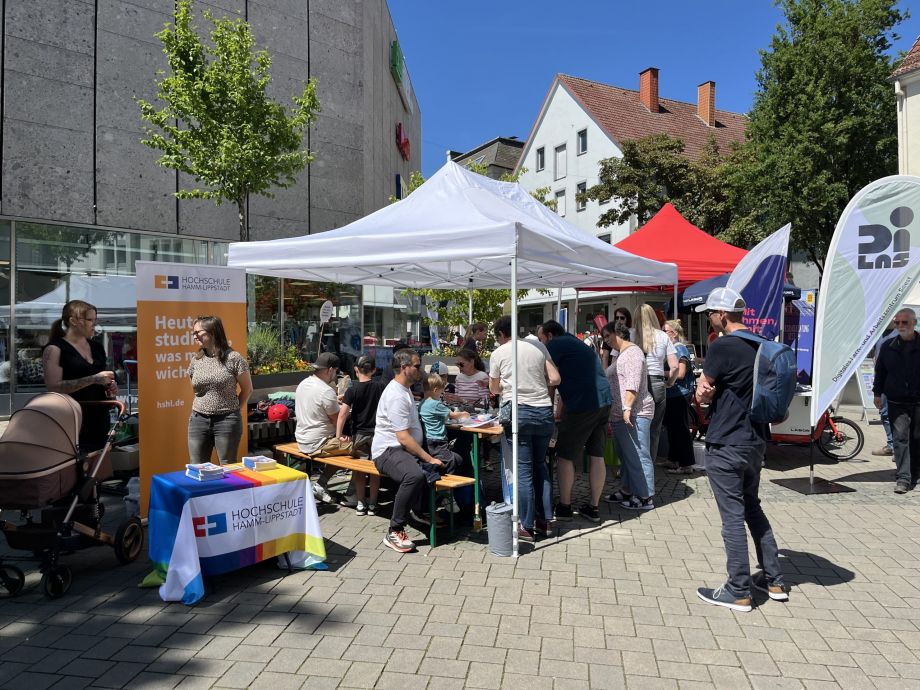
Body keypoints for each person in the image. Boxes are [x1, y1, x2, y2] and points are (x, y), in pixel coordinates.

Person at [694, 287, 785, 611]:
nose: (709, 319)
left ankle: (739, 590)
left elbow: (703, 392)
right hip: (756, 442)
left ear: (721, 314)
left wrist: (702, 396)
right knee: (752, 508)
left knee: (732, 517)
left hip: (727, 441)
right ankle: (774, 580)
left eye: (710, 313)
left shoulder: (723, 347)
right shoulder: (760, 345)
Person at [490, 316, 561, 541]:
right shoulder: (538, 346)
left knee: (523, 470)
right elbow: (555, 378)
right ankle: (545, 520)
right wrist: (534, 381)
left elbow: (494, 388)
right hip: (543, 411)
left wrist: (510, 383)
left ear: (501, 334)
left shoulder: (499, 353)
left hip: (518, 412)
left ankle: (527, 525)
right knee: (540, 466)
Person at [373, 349, 446, 553]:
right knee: (413, 475)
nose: (420, 369)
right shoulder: (396, 395)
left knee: (452, 461)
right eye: (416, 365)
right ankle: (395, 530)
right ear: (404, 368)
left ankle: (421, 509)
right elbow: (403, 438)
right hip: (388, 451)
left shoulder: (404, 389)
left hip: (403, 450)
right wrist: (428, 457)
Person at [540, 319, 613, 523]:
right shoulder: (576, 342)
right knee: (596, 454)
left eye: (541, 338)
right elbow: (571, 379)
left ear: (550, 335)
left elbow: (551, 380)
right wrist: (560, 411)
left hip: (584, 403)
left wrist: (547, 408)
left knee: (565, 455)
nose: (541, 343)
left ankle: (564, 506)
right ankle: (594, 507)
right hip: (604, 400)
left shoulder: (554, 345)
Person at [42, 300, 118, 452]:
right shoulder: (55, 349)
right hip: (72, 421)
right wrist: (94, 379)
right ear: (73, 321)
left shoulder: (97, 347)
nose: (94, 325)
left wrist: (110, 387)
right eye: (90, 320)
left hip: (99, 419)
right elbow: (54, 387)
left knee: (98, 470)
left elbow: (101, 380)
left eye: (95, 320)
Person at [601, 322, 655, 510]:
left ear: (617, 334)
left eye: (607, 336)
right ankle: (628, 489)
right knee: (626, 455)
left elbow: (632, 384)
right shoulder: (623, 354)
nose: (606, 341)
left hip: (634, 412)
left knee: (638, 455)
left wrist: (627, 408)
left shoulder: (632, 354)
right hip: (622, 413)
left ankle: (645, 496)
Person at [185, 316, 252, 464]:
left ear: (213, 332)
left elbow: (247, 389)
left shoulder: (234, 358)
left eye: (198, 332)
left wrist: (233, 411)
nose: (194, 336)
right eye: (193, 333)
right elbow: (196, 390)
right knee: (198, 467)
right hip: (198, 420)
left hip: (226, 421)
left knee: (228, 467)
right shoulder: (196, 360)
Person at [873, 307, 920, 494]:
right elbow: (880, 373)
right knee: (900, 439)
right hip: (896, 401)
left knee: (916, 439)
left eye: (904, 322)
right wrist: (877, 394)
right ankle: (903, 478)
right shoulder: (887, 346)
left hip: (918, 401)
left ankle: (914, 472)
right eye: (897, 322)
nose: (900, 326)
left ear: (914, 323)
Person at [334, 355, 383, 515]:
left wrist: (338, 433)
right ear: (374, 370)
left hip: (360, 434)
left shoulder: (352, 389)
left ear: (356, 370)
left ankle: (361, 503)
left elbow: (342, 414)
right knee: (376, 469)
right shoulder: (380, 387)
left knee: (360, 470)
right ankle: (373, 504)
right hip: (378, 434)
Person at [295, 352, 341, 502]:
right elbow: (337, 420)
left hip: (302, 438)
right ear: (330, 370)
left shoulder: (303, 383)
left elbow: (316, 404)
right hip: (318, 442)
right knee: (359, 447)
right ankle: (350, 493)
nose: (336, 375)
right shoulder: (326, 390)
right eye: (336, 371)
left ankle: (321, 484)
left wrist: (335, 400)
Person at [635, 304, 678, 462]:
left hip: (636, 383)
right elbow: (674, 367)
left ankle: (632, 468)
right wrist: (669, 383)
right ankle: (649, 468)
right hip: (658, 383)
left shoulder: (631, 335)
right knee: (654, 430)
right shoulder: (663, 336)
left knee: (634, 426)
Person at [663, 319, 697, 474]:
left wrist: (658, 372)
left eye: (665, 331)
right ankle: (672, 460)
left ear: (674, 333)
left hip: (680, 393)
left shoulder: (679, 348)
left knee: (680, 429)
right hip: (672, 394)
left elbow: (681, 373)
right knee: (672, 427)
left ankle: (686, 464)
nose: (663, 334)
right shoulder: (672, 349)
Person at [419, 373, 467, 468]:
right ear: (435, 390)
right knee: (454, 461)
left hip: (427, 440)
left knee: (451, 458)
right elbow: (454, 416)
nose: (441, 396)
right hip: (438, 441)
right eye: (441, 393)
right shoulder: (436, 404)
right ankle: (450, 477)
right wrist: (464, 414)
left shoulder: (422, 403)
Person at [872, 318, 898, 457]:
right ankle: (891, 445)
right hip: (882, 382)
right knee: (884, 414)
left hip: (895, 384)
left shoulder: (899, 335)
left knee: (898, 416)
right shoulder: (879, 333)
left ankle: (899, 449)